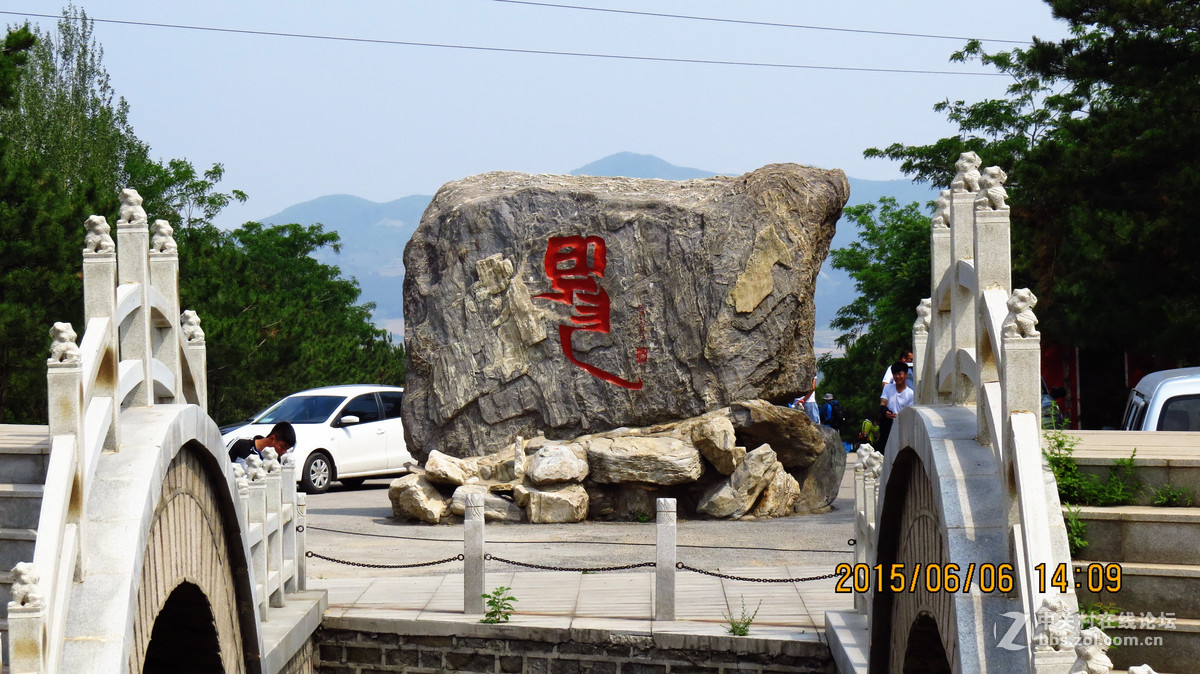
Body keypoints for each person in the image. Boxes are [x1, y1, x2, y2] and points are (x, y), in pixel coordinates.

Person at [877, 362, 914, 452]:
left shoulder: (911, 394)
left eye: (899, 374)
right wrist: (886, 412)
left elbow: (910, 413)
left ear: (905, 375)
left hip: (902, 426)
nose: (897, 377)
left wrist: (899, 416)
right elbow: (883, 403)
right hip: (888, 424)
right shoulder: (888, 388)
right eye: (895, 374)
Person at [228, 421, 297, 466]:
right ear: (273, 438)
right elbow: (222, 465)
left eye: (286, 449)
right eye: (282, 447)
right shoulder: (241, 444)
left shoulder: (276, 461)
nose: (283, 452)